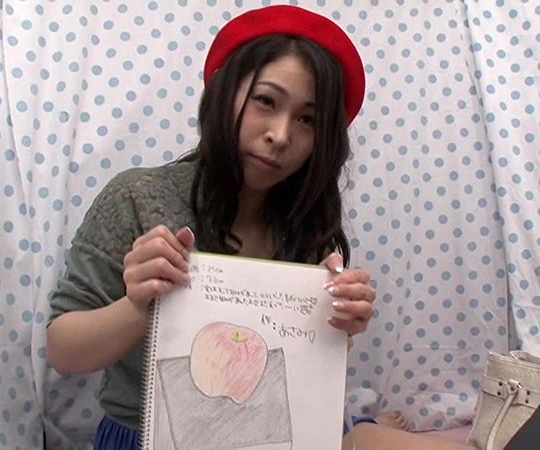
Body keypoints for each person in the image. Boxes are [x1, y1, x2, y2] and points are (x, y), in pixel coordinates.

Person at [46, 5, 377, 449]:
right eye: (266, 101)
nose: (280, 135)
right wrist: (139, 307)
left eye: (307, 120)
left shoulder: (304, 227)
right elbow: (63, 351)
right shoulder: (138, 198)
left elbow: (291, 371)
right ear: (223, 92)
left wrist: (336, 328)